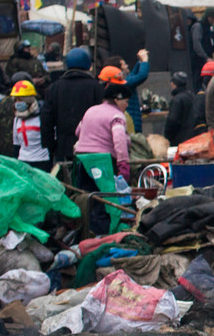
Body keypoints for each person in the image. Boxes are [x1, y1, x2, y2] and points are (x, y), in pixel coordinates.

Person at [74, 75, 132, 234]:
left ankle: (84, 232)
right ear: (117, 99)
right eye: (125, 101)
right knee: (104, 200)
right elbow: (119, 140)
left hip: (82, 160)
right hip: (102, 161)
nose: (126, 105)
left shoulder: (91, 110)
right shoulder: (116, 116)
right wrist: (123, 163)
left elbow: (78, 131)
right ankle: (102, 234)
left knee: (86, 198)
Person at [45, 47, 103, 164]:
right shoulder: (96, 87)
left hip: (63, 148)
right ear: (88, 64)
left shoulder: (54, 88)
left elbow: (47, 120)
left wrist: (51, 147)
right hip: (92, 148)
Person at [7, 79, 53, 172]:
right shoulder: (16, 120)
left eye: (20, 99)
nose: (17, 103)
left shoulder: (43, 117)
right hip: (23, 162)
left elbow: (51, 139)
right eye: (16, 99)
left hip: (42, 161)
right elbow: (16, 144)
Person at [164, 72, 199, 146]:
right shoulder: (192, 96)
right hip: (194, 137)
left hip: (180, 139)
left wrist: (167, 135)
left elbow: (172, 120)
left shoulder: (177, 99)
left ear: (174, 84)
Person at [120, 48, 151, 131]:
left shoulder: (125, 81)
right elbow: (142, 75)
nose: (127, 66)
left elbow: (133, 74)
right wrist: (145, 60)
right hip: (132, 122)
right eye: (124, 64)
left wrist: (140, 61)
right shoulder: (125, 83)